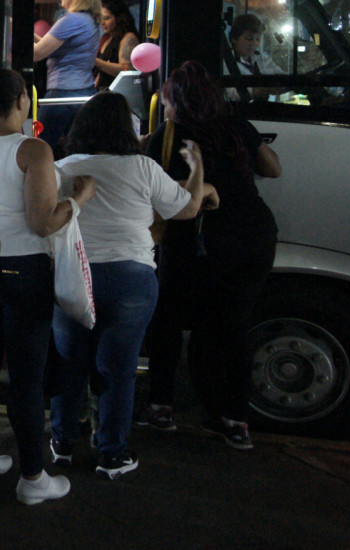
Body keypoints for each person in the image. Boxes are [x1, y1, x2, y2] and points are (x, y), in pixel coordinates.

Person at [0, 68, 94, 505]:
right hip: (21, 268)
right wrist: (79, 199)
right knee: (26, 376)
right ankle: (32, 478)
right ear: (22, 102)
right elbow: (43, 221)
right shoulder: (33, 149)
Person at [50, 92, 214, 478]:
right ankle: (112, 454)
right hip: (131, 281)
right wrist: (198, 169)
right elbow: (187, 209)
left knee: (69, 364)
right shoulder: (143, 167)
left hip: (75, 274)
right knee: (118, 369)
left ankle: (62, 444)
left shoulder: (62, 167)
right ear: (127, 128)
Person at [143, 61, 281, 448]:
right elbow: (273, 170)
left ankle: (160, 406)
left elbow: (154, 187)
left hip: (196, 242)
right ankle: (235, 420)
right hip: (255, 238)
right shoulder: (237, 126)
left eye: (167, 100)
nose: (165, 107)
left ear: (179, 102)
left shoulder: (169, 136)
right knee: (233, 326)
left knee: (168, 320)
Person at [32, 0, 102, 147]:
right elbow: (51, 47)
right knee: (79, 149)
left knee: (38, 146)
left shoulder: (70, 20)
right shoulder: (88, 20)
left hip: (62, 94)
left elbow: (37, 53)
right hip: (84, 92)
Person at [221, 14, 282, 101]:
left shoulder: (262, 58)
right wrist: (253, 91)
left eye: (258, 39)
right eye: (249, 38)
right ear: (234, 38)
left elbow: (278, 73)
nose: (254, 43)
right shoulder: (225, 62)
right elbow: (227, 93)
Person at [93, 0, 139, 90]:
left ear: (118, 17)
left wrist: (97, 62)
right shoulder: (106, 38)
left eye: (106, 18)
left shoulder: (128, 38)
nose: (102, 22)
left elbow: (126, 71)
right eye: (100, 18)